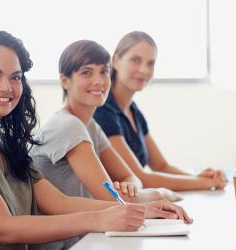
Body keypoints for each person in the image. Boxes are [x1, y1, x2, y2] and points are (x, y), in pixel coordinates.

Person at [0, 31, 192, 250]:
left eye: (15, 77)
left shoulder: (6, 143)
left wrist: (141, 210)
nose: (7, 86)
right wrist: (100, 219)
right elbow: (4, 227)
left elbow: (60, 202)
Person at [31, 40, 181, 203]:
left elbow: (131, 176)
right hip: (64, 225)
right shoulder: (68, 126)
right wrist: (162, 194)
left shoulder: (90, 125)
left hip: (89, 224)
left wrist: (130, 186)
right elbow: (114, 199)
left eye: (104, 72)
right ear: (65, 81)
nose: (98, 81)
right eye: (86, 72)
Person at [94, 31, 228, 191]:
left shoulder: (133, 111)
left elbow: (161, 166)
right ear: (116, 60)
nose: (144, 70)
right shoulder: (103, 111)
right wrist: (205, 183)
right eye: (136, 60)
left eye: (150, 63)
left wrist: (200, 177)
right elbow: (140, 177)